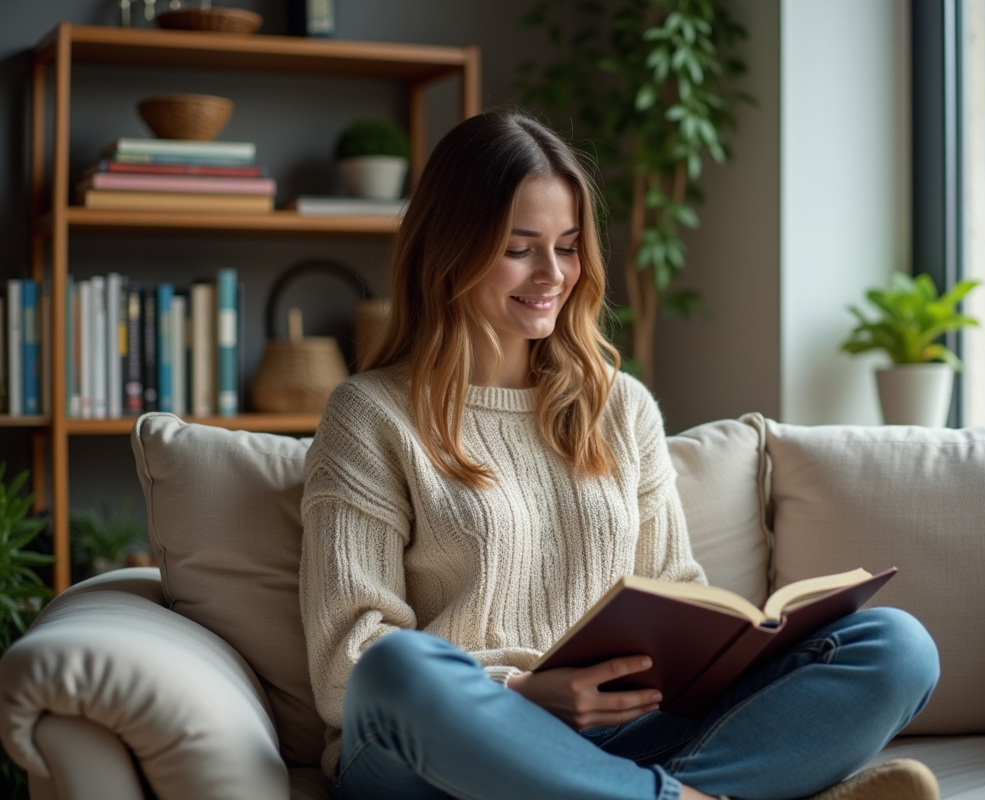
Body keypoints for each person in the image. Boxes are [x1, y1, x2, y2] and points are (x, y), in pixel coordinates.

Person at [299, 108, 941, 800]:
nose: (553, 274)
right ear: (450, 248)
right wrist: (524, 691)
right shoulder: (371, 414)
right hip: (442, 755)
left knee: (896, 647)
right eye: (520, 247)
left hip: (620, 739)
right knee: (399, 668)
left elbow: (675, 592)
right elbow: (349, 666)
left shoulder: (619, 406)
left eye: (569, 246)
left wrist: (725, 649)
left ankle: (648, 793)